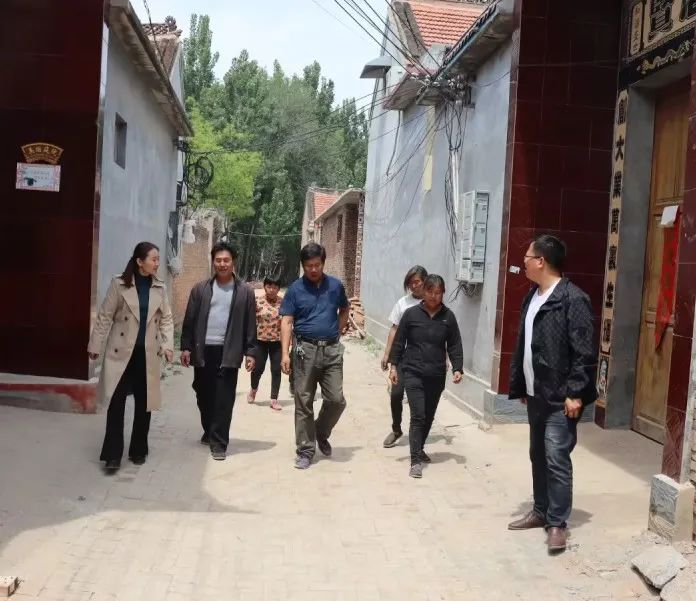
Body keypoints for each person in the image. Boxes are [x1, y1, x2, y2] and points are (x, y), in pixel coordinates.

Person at [507, 234, 597, 553]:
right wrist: (522, 384)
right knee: (537, 454)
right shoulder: (532, 297)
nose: (524, 263)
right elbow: (524, 345)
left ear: (541, 261)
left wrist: (576, 392)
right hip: (537, 394)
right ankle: (541, 510)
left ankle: (557, 523)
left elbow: (584, 352)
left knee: (556, 457)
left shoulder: (573, 299)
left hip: (562, 398)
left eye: (527, 258)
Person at [88, 242, 174, 474]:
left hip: (147, 354)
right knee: (116, 403)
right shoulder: (119, 284)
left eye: (158, 259)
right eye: (153, 259)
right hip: (120, 354)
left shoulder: (159, 287)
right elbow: (105, 316)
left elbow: (166, 318)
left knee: (144, 404)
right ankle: (112, 455)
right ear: (139, 261)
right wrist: (95, 344)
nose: (157, 263)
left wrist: (167, 345)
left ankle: (138, 449)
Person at [180, 241, 257, 461]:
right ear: (213, 262)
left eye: (226, 260)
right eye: (218, 260)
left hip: (229, 351)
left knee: (224, 398)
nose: (222, 264)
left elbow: (250, 324)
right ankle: (210, 429)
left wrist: (251, 352)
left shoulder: (245, 292)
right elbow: (189, 320)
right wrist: (186, 347)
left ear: (233, 262)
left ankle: (219, 442)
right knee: (203, 393)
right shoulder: (200, 289)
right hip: (203, 350)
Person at [280, 242, 350, 470]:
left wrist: (337, 330)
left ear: (323, 263)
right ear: (303, 265)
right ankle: (305, 450)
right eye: (308, 265)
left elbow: (345, 309)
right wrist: (285, 354)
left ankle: (320, 431)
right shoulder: (295, 290)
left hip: (331, 351)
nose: (313, 269)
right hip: (305, 351)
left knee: (336, 400)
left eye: (317, 265)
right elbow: (287, 321)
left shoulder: (335, 286)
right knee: (304, 401)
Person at [389, 274, 463, 479]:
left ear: (443, 293)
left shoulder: (448, 317)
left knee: (429, 415)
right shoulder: (411, 314)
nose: (433, 296)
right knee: (418, 415)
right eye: (430, 291)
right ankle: (415, 461)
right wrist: (394, 366)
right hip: (413, 371)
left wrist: (457, 368)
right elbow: (399, 341)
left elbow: (455, 344)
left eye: (438, 293)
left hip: (436, 374)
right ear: (424, 292)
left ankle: (419, 447)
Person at [381, 266, 428, 448]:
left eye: (417, 282)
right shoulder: (403, 303)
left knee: (422, 398)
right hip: (402, 356)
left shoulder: (432, 302)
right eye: (410, 283)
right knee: (396, 394)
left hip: (424, 358)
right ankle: (396, 429)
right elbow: (394, 329)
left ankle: (419, 432)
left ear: (425, 281)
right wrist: (387, 354)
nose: (414, 286)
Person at [248, 276, 283, 411]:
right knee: (257, 368)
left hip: (277, 342)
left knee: (276, 370)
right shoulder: (257, 301)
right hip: (260, 341)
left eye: (275, 287)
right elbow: (250, 322)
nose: (272, 290)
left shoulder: (283, 302)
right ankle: (253, 389)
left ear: (278, 289)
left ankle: (274, 399)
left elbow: (287, 321)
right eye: (269, 286)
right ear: (264, 287)